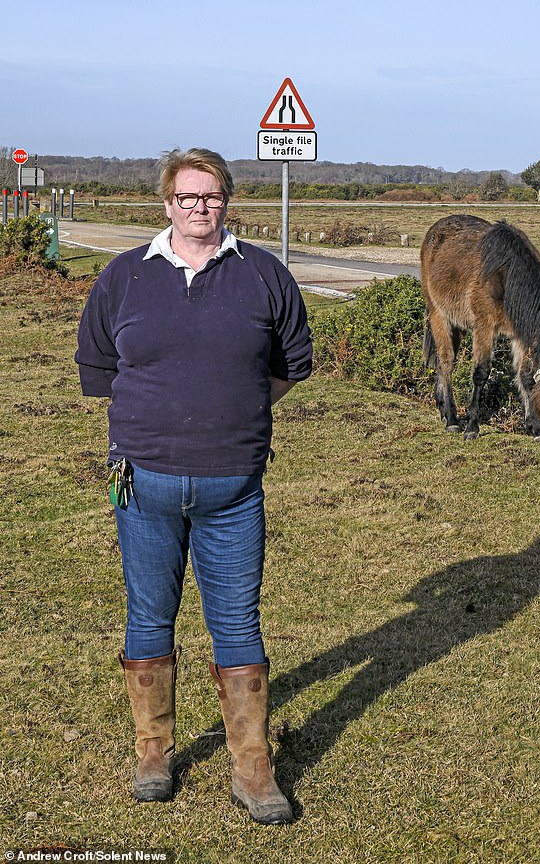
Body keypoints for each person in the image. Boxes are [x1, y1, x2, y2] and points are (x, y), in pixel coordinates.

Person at [75, 148, 312, 824]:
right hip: (138, 482)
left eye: (210, 196)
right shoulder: (124, 277)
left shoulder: (265, 275)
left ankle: (252, 764)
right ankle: (153, 750)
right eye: (187, 197)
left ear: (228, 200)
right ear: (166, 202)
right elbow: (99, 367)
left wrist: (237, 412)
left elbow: (290, 364)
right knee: (148, 612)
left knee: (237, 619)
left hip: (234, 487)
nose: (199, 207)